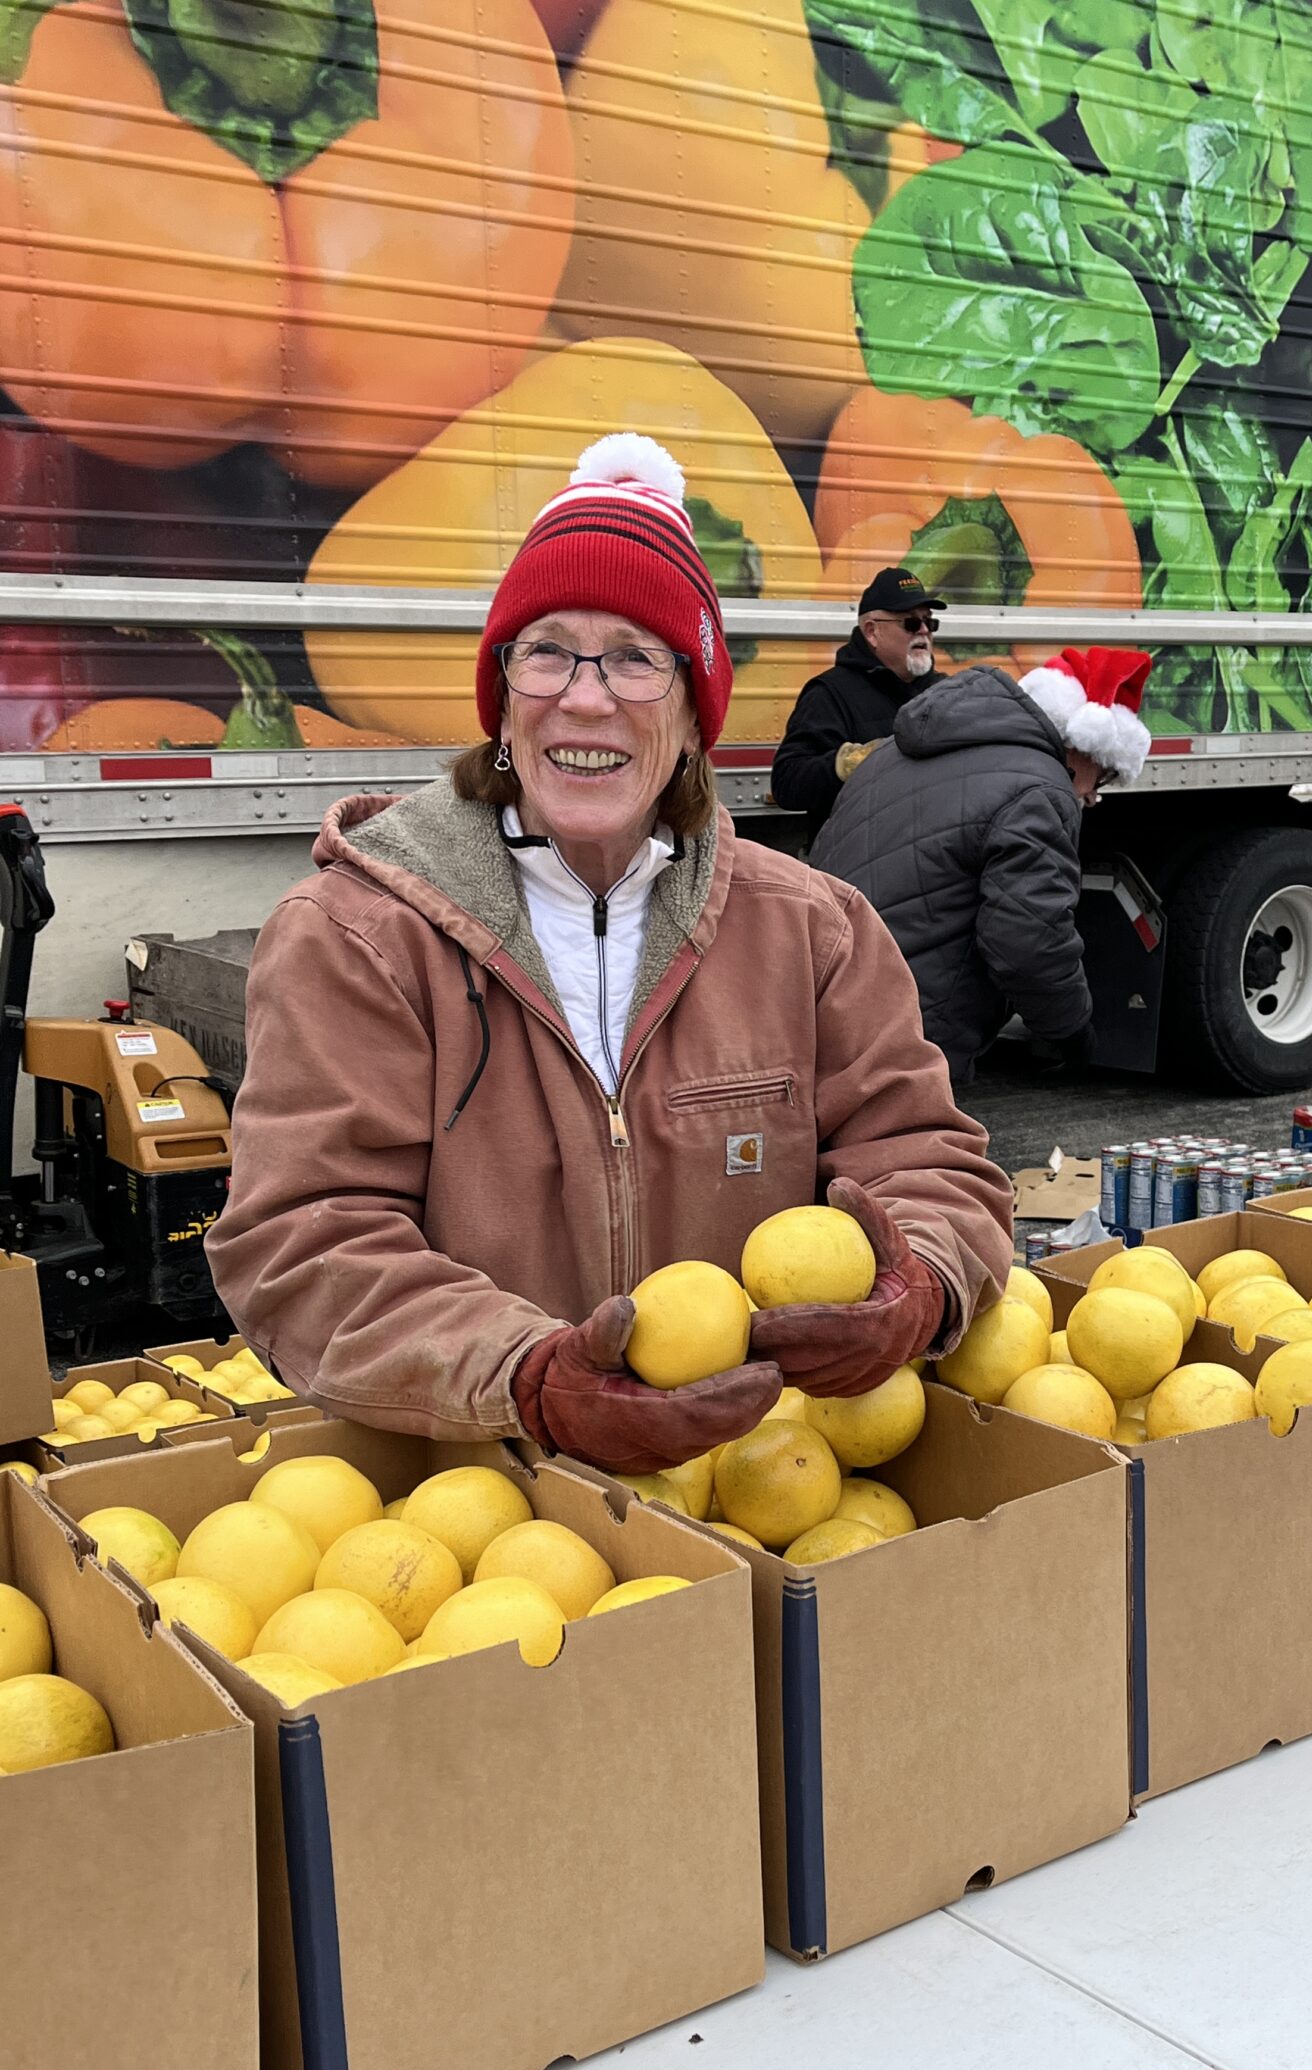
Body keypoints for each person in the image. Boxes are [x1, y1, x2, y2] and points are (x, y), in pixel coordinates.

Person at [205, 435, 1014, 1471]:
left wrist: (922, 1283)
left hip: (758, 1502)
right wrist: (530, 1379)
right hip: (472, 1527)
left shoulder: (813, 930)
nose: (586, 697)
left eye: (638, 657)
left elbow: (929, 1159)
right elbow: (302, 1242)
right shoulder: (356, 938)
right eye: (546, 651)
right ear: (502, 696)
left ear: (693, 711)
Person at [809, 647, 1152, 1085]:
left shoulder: (893, 752)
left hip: (822, 998)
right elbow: (1027, 939)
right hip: (909, 1028)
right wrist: (1069, 1028)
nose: (1092, 796)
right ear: (1081, 746)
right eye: (1102, 777)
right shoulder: (1042, 791)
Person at [771, 566, 943, 839]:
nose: (923, 631)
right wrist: (845, 765)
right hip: (858, 865)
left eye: (930, 622)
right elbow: (787, 784)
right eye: (910, 623)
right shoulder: (829, 694)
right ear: (872, 631)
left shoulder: (945, 691)